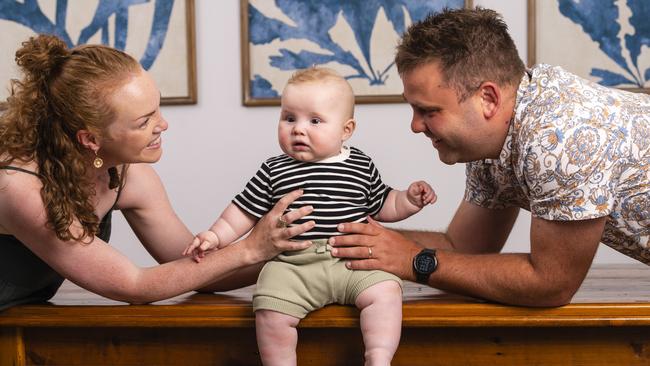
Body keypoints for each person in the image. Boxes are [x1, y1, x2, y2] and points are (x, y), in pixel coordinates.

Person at [329, 7, 649, 307]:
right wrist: (346, 235)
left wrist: (413, 260)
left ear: (488, 98)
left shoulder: (559, 135)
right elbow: (461, 248)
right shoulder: (497, 138)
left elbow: (552, 283)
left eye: (428, 111)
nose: (415, 126)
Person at [0, 34, 316, 312]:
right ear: (91, 139)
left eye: (158, 109)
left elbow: (198, 268)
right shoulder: (19, 188)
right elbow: (133, 285)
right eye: (144, 121)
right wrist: (250, 247)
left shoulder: (127, 175)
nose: (163, 125)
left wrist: (302, 251)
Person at [183, 67, 436, 365]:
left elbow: (384, 204)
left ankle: (378, 356)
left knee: (386, 292)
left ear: (346, 130)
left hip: (354, 260)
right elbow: (241, 211)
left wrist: (408, 198)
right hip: (293, 265)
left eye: (314, 120)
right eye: (289, 118)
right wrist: (215, 235)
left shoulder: (360, 164)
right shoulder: (274, 169)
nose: (298, 129)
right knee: (269, 308)